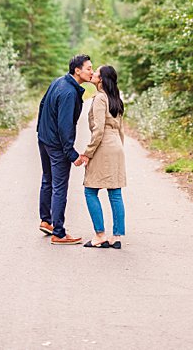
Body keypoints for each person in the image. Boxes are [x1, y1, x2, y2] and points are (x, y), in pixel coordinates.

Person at [38, 54, 94, 245]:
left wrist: (40, 129)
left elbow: (42, 104)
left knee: (48, 180)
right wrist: (71, 153)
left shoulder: (58, 82)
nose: (92, 72)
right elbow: (65, 126)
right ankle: (59, 233)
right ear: (77, 70)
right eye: (88, 68)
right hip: (56, 144)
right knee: (59, 187)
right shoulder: (69, 92)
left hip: (44, 139)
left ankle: (46, 221)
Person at [75, 65, 128, 249]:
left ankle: (100, 235)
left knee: (90, 190)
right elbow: (120, 130)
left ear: (102, 79)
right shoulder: (117, 99)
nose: (93, 74)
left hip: (103, 146)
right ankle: (117, 237)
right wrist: (119, 149)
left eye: (96, 72)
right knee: (115, 193)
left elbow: (98, 131)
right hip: (116, 146)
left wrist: (88, 153)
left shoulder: (99, 99)